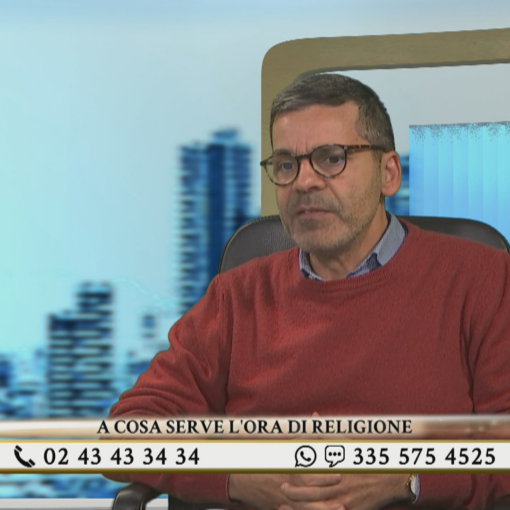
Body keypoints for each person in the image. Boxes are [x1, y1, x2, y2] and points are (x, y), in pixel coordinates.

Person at [106, 73, 510, 509]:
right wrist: (237, 477)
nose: (304, 182)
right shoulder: (236, 297)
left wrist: (404, 476)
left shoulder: (482, 278)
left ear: (388, 173)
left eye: (331, 158)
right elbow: (124, 435)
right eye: (286, 165)